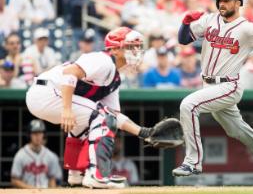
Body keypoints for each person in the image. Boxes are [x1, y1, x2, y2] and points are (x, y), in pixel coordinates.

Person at [172, 0, 253, 185]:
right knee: (235, 129)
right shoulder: (209, 20)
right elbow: (183, 40)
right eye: (219, 0)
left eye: (226, 0)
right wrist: (185, 22)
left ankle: (193, 162)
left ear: (238, 2)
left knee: (188, 106)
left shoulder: (247, 28)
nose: (221, 3)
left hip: (228, 86)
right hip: (208, 85)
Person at [25, 27, 157, 188]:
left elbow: (114, 117)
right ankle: (97, 174)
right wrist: (67, 109)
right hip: (47, 91)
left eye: (137, 46)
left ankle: (76, 174)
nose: (136, 50)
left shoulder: (114, 79)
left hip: (52, 95)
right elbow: (70, 72)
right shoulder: (103, 60)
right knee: (101, 117)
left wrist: (144, 132)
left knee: (96, 120)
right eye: (130, 46)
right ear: (115, 49)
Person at [11, 119, 62, 188]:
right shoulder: (20, 155)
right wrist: (31, 189)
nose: (38, 136)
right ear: (29, 135)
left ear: (43, 135)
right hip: (27, 192)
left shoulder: (51, 156)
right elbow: (14, 180)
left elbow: (53, 179)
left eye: (40, 132)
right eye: (34, 133)